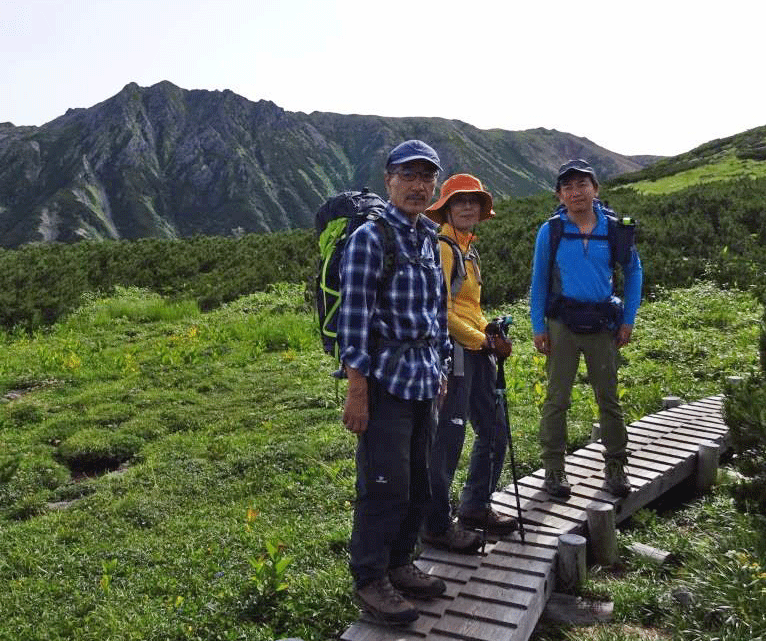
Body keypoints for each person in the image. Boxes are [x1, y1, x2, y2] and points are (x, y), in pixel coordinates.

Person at [338, 140, 452, 625]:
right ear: (389, 180)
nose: (419, 185)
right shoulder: (371, 237)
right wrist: (357, 389)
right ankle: (371, 578)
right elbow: (354, 319)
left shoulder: (429, 237)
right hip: (384, 381)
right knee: (384, 484)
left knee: (418, 482)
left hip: (425, 377)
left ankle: (401, 563)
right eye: (409, 175)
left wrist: (443, 368)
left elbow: (437, 312)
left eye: (427, 177)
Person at [529, 159, 643, 499]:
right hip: (562, 324)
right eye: (568, 186)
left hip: (602, 324)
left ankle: (616, 467)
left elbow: (634, 273)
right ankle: (553, 470)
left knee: (608, 398)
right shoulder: (551, 230)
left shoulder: (614, 229)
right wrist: (538, 326)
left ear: (596, 189)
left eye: (583, 185)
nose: (576, 192)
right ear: (559, 194)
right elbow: (538, 281)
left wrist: (628, 319)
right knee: (556, 399)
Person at [421, 174, 516, 554]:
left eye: (473, 202)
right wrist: (482, 340)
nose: (467, 207)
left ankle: (475, 507)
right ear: (445, 208)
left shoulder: (468, 250)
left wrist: (488, 330)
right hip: (456, 355)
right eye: (459, 201)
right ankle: (436, 523)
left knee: (493, 428)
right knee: (449, 439)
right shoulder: (444, 247)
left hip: (476, 351)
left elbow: (468, 308)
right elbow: (439, 310)